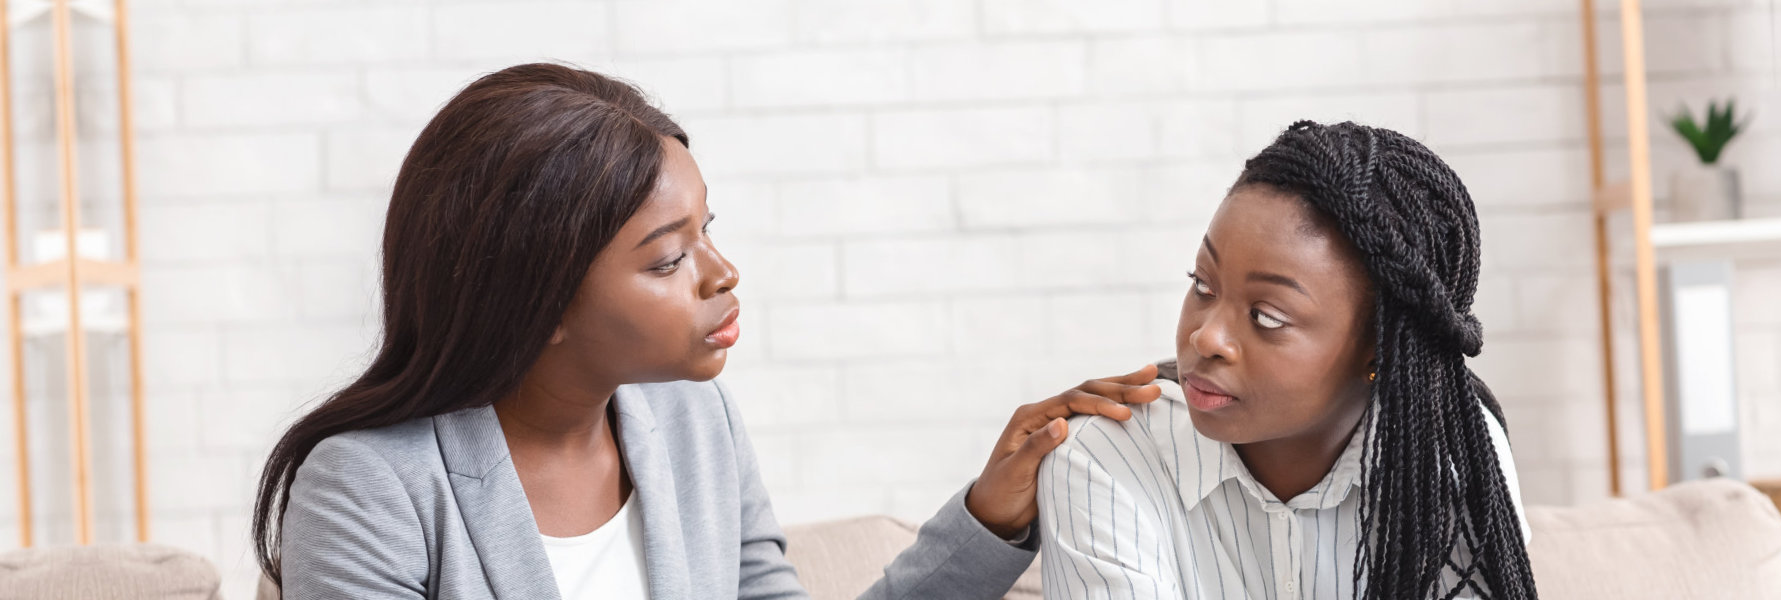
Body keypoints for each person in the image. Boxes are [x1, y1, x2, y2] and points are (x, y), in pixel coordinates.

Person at [249, 63, 1163, 599]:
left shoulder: (692, 426)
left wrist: (993, 510)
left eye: (707, 230)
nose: (722, 275)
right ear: (539, 298)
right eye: (666, 259)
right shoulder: (371, 485)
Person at [1037, 121, 1536, 599]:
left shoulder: (1450, 458)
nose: (1205, 336)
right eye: (1203, 285)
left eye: (1267, 317)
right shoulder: (1103, 458)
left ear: (1379, 348)